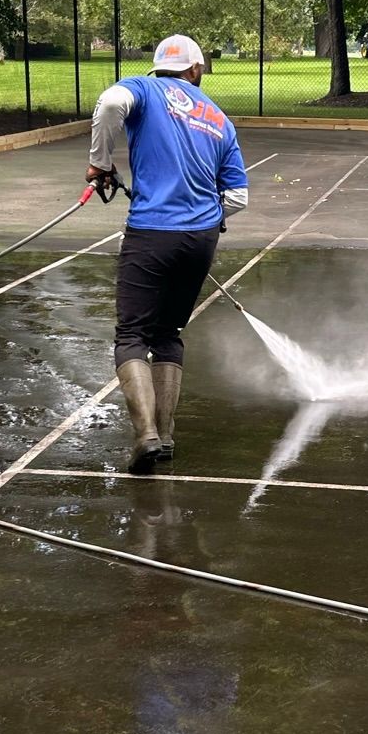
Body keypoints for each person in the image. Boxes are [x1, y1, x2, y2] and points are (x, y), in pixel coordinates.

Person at [88, 34, 249, 472]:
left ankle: (145, 436)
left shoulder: (142, 88)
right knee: (168, 335)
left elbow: (107, 105)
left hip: (151, 232)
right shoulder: (218, 118)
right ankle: (167, 436)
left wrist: (101, 162)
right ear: (194, 69)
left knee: (132, 335)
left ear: (158, 66)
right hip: (200, 239)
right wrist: (204, 220)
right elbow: (237, 197)